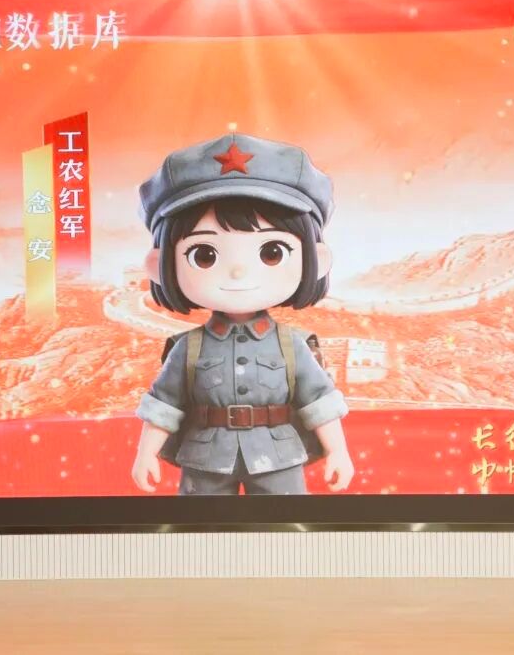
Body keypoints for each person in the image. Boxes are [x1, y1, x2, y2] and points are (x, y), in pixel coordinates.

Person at [129, 133, 354, 496]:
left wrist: (338, 451)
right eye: (204, 255)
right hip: (206, 459)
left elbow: (319, 401)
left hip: (278, 457)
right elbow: (163, 404)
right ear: (159, 266)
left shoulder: (291, 346)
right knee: (201, 529)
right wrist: (145, 454)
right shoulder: (188, 348)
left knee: (286, 527)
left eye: (271, 252)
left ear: (318, 260)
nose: (237, 272)